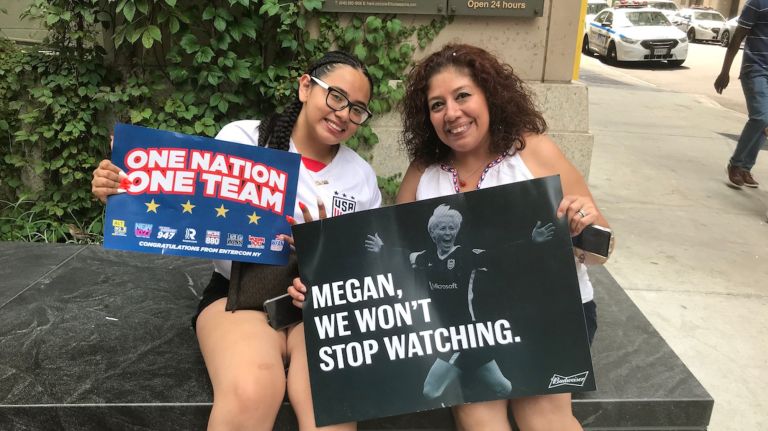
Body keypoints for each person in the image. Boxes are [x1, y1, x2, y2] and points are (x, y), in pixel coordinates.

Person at [91, 51, 382, 431]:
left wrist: (327, 263)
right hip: (238, 295)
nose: (344, 114)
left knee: (332, 396)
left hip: (321, 307)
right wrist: (122, 189)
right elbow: (185, 203)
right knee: (251, 389)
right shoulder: (242, 138)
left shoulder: (361, 177)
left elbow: (367, 262)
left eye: (357, 108)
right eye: (337, 97)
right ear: (305, 86)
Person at [395, 43, 609, 431]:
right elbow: (399, 249)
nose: (452, 113)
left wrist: (584, 228)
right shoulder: (424, 172)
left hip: (547, 311)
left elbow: (600, 250)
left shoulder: (533, 153)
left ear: (489, 96)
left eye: (462, 96)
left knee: (541, 413)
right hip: (464, 323)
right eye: (437, 104)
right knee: (478, 414)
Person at [365, 204, 556, 402]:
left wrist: (531, 241)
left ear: (456, 231)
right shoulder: (425, 258)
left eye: (451, 228)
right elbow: (404, 256)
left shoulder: (468, 256)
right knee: (502, 387)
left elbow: (500, 255)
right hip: (451, 334)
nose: (448, 233)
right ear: (433, 233)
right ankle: (480, 387)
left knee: (430, 391)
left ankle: (528, 402)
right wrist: (383, 249)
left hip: (464, 334)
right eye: (442, 229)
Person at [715, 0, 767, 189]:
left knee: (765, 122)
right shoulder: (757, 3)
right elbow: (737, 38)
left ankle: (745, 167)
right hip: (755, 69)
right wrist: (725, 70)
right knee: (760, 117)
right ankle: (736, 164)